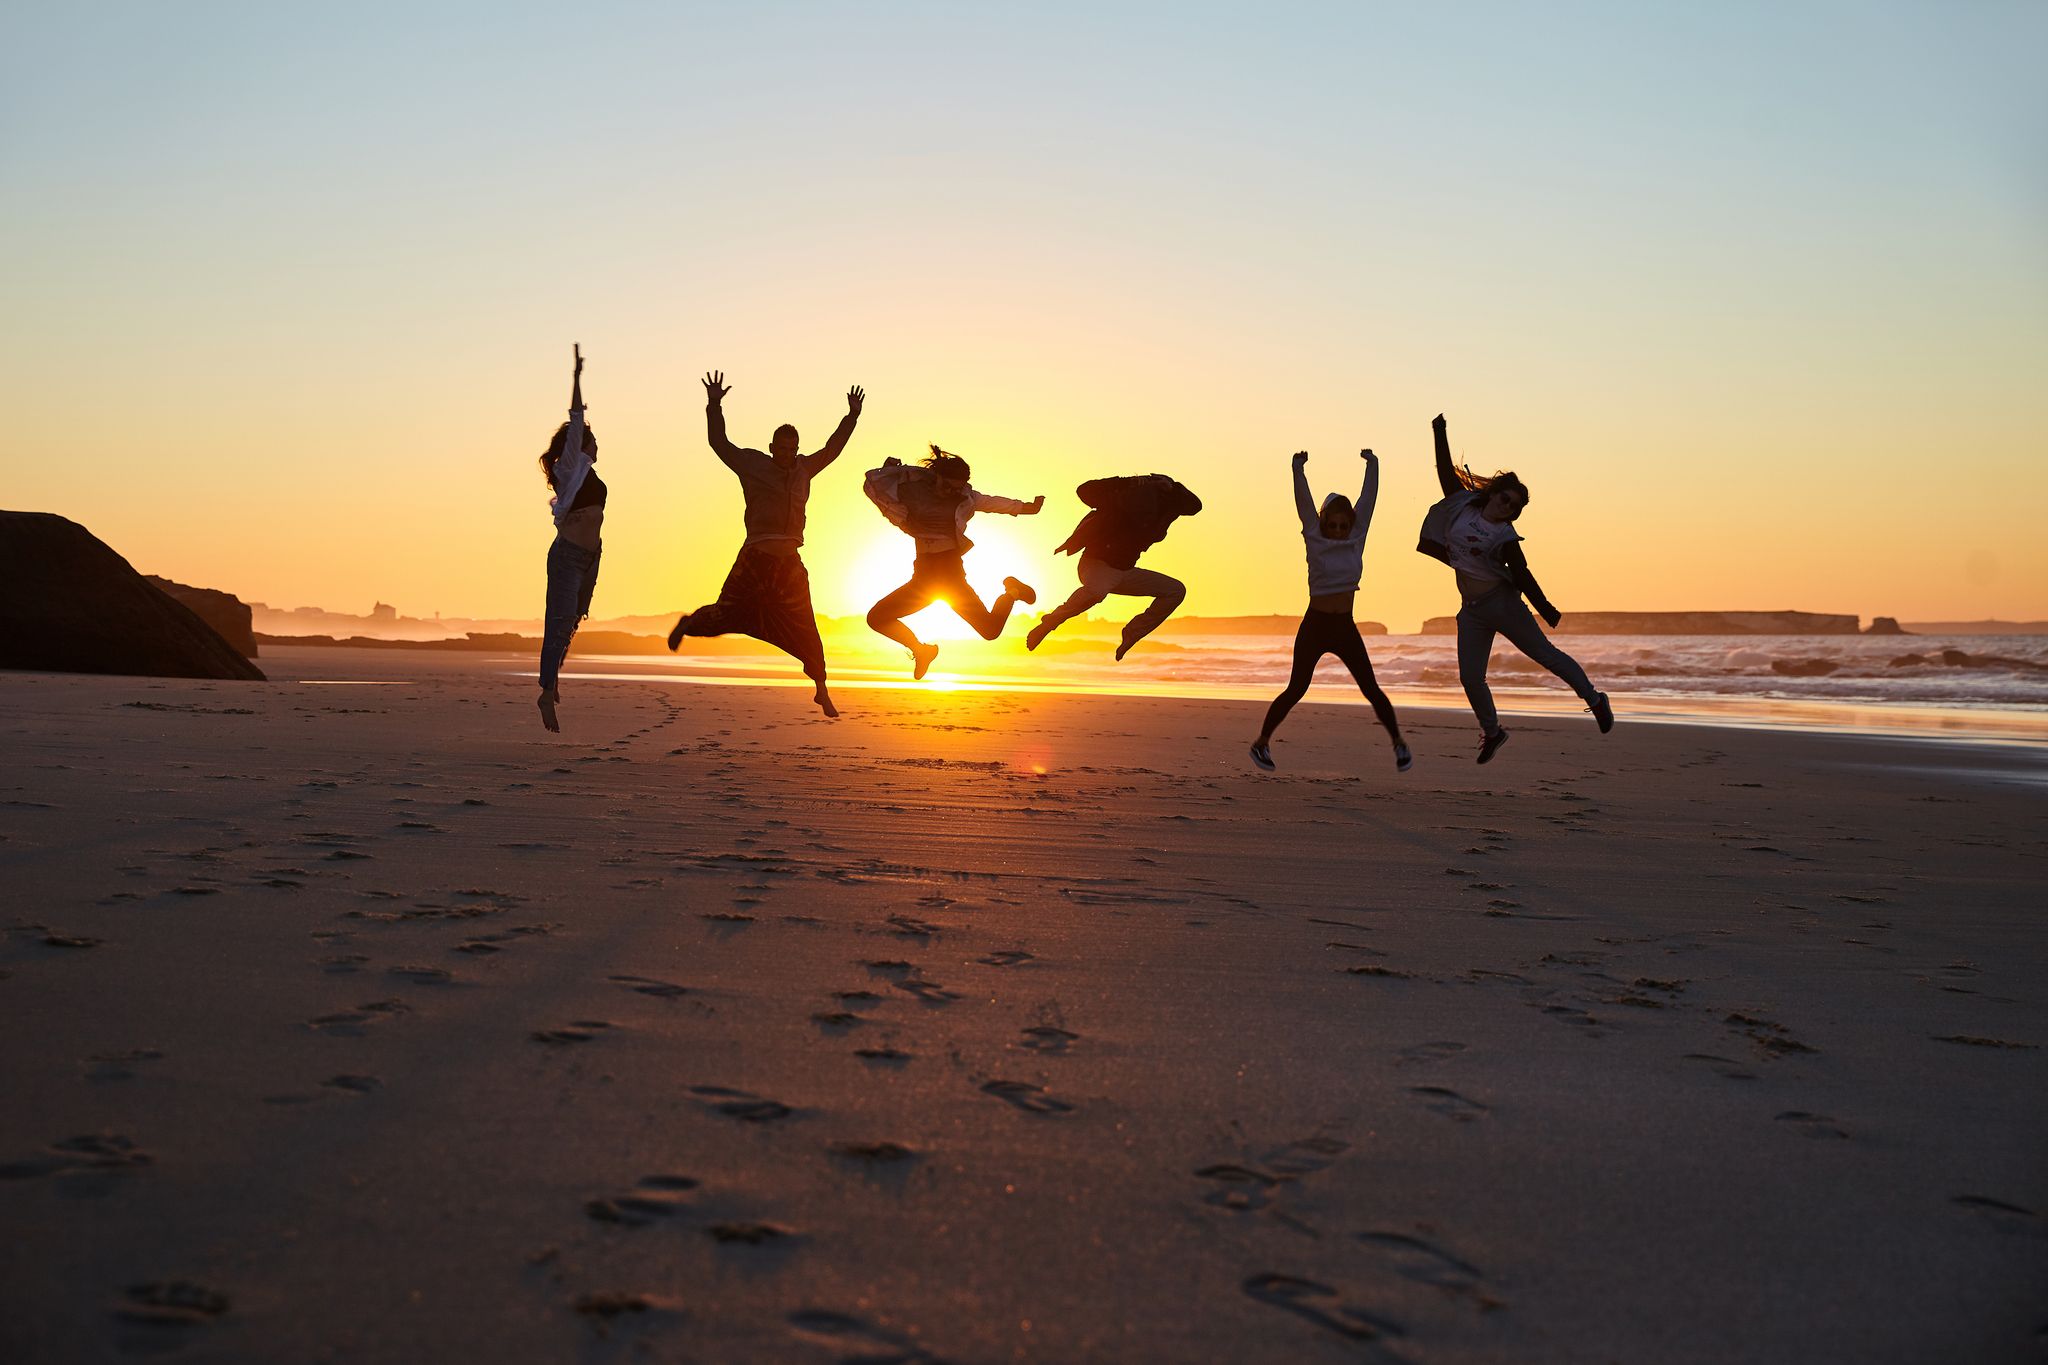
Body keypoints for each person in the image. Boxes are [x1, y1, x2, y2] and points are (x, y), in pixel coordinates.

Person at [667, 372, 863, 718]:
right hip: (756, 557)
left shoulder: (805, 469)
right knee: (727, 613)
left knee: (806, 624)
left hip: (789, 563)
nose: (788, 454)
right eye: (782, 448)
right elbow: (719, 444)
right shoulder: (754, 464)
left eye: (793, 449)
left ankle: (821, 689)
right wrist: (714, 404)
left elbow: (833, 449)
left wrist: (851, 416)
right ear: (772, 447)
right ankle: (689, 624)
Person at [1419, 412, 1611, 763]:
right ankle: (1493, 732)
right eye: (1505, 499)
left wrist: (1544, 606)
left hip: (1504, 605)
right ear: (1492, 494)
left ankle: (1595, 699)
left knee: (1546, 656)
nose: (1508, 507)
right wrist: (1440, 430)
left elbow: (1522, 573)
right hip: (1473, 611)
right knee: (1470, 678)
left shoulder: (1505, 535)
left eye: (1515, 506)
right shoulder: (1462, 506)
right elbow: (1446, 471)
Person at [1249, 449, 1410, 772]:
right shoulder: (1314, 536)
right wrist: (1297, 469)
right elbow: (1304, 503)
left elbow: (1369, 499)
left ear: (1350, 524)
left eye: (1342, 526)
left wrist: (1374, 464)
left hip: (1345, 627)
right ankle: (1261, 743)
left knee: (1370, 687)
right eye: (1332, 525)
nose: (1337, 531)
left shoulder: (1357, 537)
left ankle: (1399, 744)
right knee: (1297, 688)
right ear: (1323, 522)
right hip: (1316, 625)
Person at [862, 446, 1043, 678]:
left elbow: (992, 503)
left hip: (950, 575)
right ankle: (921, 650)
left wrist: (1028, 508)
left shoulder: (965, 498)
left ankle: (1013, 591)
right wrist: (890, 470)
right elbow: (875, 485)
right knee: (876, 618)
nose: (949, 492)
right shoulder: (913, 489)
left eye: (955, 488)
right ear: (936, 477)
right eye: (946, 485)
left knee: (990, 630)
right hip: (923, 578)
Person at [1024, 473, 1202, 658]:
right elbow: (1084, 490)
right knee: (1097, 591)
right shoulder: (1119, 499)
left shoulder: (1166, 507)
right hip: (1095, 566)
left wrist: (1172, 486)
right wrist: (1131, 481)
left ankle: (1132, 633)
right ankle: (1049, 623)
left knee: (1175, 590)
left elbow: (1195, 506)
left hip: (1125, 572)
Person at [536, 345, 602, 733]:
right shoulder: (571, 466)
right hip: (569, 556)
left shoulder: (587, 470)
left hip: (592, 556)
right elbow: (576, 418)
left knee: (574, 621)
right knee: (558, 624)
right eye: (590, 440)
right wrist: (576, 377)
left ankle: (554, 681)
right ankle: (545, 691)